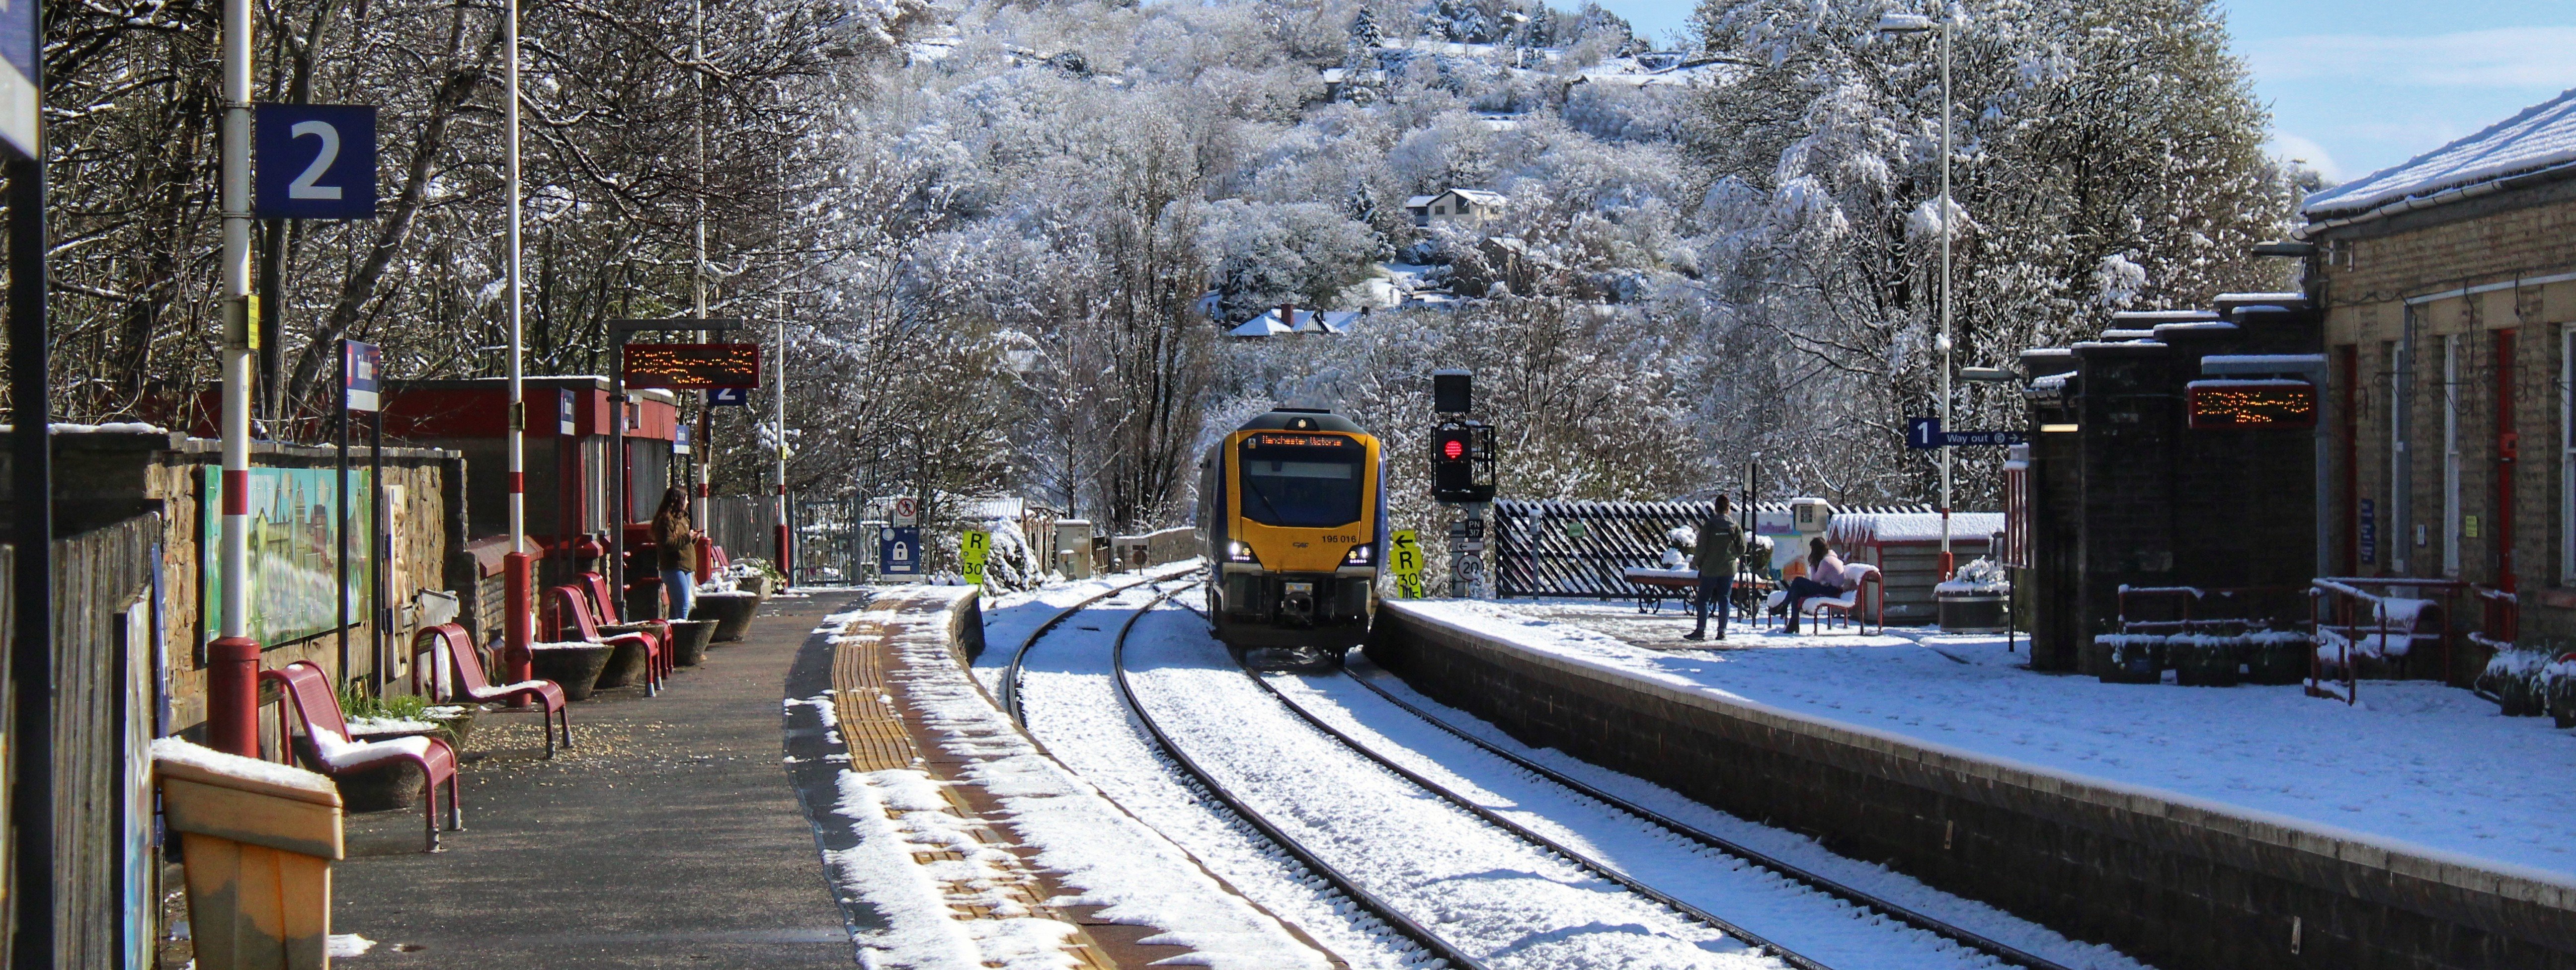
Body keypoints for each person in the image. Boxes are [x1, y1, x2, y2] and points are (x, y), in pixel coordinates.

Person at [1686, 495, 1746, 642]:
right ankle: (1722, 632)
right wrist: (1732, 557)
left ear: (1716, 508)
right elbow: (1743, 548)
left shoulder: (1709, 526)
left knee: (1703, 599)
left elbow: (1701, 548)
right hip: (1728, 569)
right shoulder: (1735, 526)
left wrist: (1699, 563)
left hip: (1710, 569)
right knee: (1724, 599)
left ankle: (1701, 630)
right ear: (1728, 509)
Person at [650, 487, 702, 620]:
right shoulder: (666, 520)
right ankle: (682, 634)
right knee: (684, 604)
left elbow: (682, 545)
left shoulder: (683, 519)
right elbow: (667, 544)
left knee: (682, 605)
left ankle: (676, 634)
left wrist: (693, 539)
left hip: (686, 567)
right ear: (678, 500)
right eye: (685, 499)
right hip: (673, 567)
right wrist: (687, 537)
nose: (688, 502)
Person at [1781, 537, 1847, 634]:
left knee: (1798, 580)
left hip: (1832, 590)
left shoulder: (1826, 562)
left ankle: (1785, 607)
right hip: (1831, 588)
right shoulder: (1830, 558)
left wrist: (1812, 564)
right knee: (1797, 591)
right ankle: (1793, 622)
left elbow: (1815, 579)